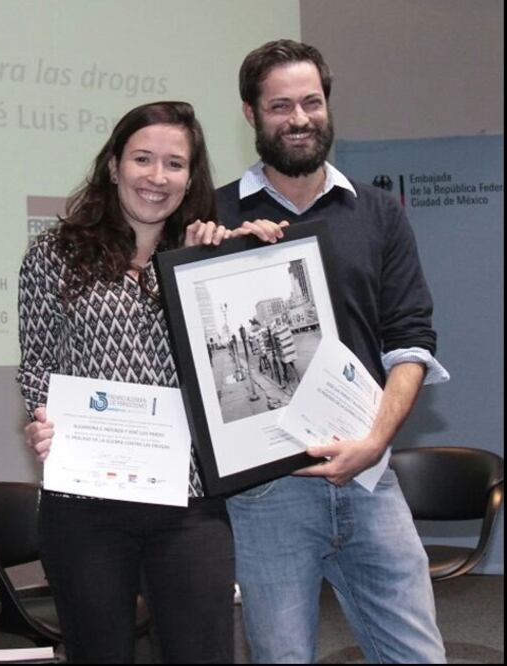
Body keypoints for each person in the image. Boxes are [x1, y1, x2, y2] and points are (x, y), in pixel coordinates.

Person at [216, 39, 449, 663]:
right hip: (267, 491)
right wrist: (209, 252)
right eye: (280, 106)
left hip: (370, 476)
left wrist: (375, 441)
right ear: (251, 114)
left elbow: (411, 340)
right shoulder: (214, 215)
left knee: (418, 656)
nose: (299, 119)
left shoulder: (378, 212)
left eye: (312, 102)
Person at [19, 101, 237, 664]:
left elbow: (234, 365)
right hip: (85, 499)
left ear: (190, 177)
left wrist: (236, 257)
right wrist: (43, 419)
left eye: (174, 164)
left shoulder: (206, 257)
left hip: (190, 500)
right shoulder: (54, 254)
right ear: (114, 165)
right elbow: (37, 364)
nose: (157, 177)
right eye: (143, 159)